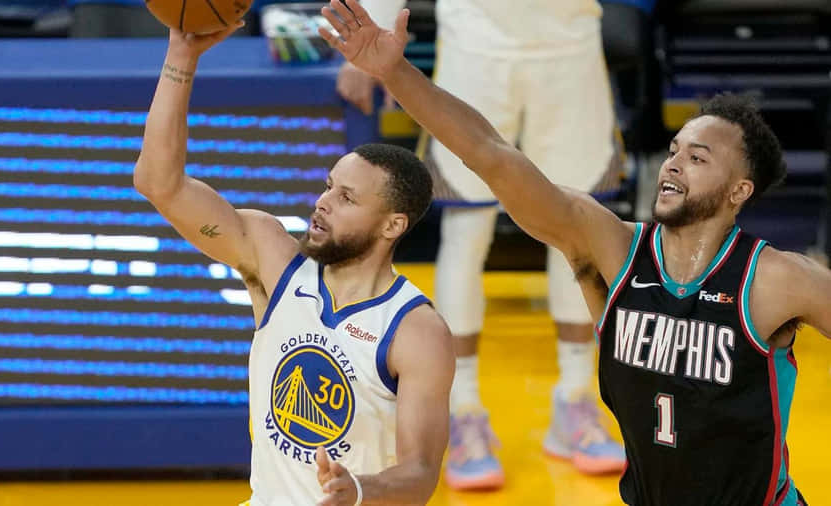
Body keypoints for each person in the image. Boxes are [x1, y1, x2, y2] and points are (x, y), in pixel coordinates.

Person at [319, 2, 830, 504]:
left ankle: (573, 404)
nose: (674, 165)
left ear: (739, 191)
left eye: (698, 158)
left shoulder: (776, 279)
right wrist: (397, 72)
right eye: (673, 151)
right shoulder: (611, 248)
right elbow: (489, 154)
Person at [133, 25, 455, 506]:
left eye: (346, 198)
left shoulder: (415, 330)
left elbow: (421, 473)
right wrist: (182, 54)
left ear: (392, 225)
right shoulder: (274, 259)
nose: (322, 203)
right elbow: (159, 183)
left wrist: (361, 490)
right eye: (328, 186)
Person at [335, 0, 625, 488]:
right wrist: (366, 39)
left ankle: (576, 399)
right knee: (467, 231)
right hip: (477, 46)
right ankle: (463, 408)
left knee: (577, 229)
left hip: (570, 48)